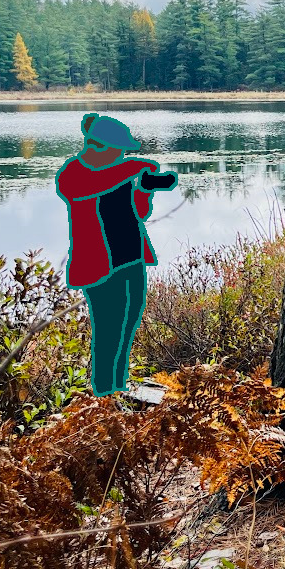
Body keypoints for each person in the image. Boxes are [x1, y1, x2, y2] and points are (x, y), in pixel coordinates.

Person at [55, 114, 177, 396]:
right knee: (108, 331)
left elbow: (139, 213)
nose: (122, 155)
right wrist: (134, 167)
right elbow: (87, 188)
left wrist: (145, 190)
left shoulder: (117, 172)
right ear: (97, 145)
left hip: (132, 258)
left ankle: (118, 387)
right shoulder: (73, 173)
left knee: (128, 323)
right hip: (99, 267)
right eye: (119, 150)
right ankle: (103, 393)